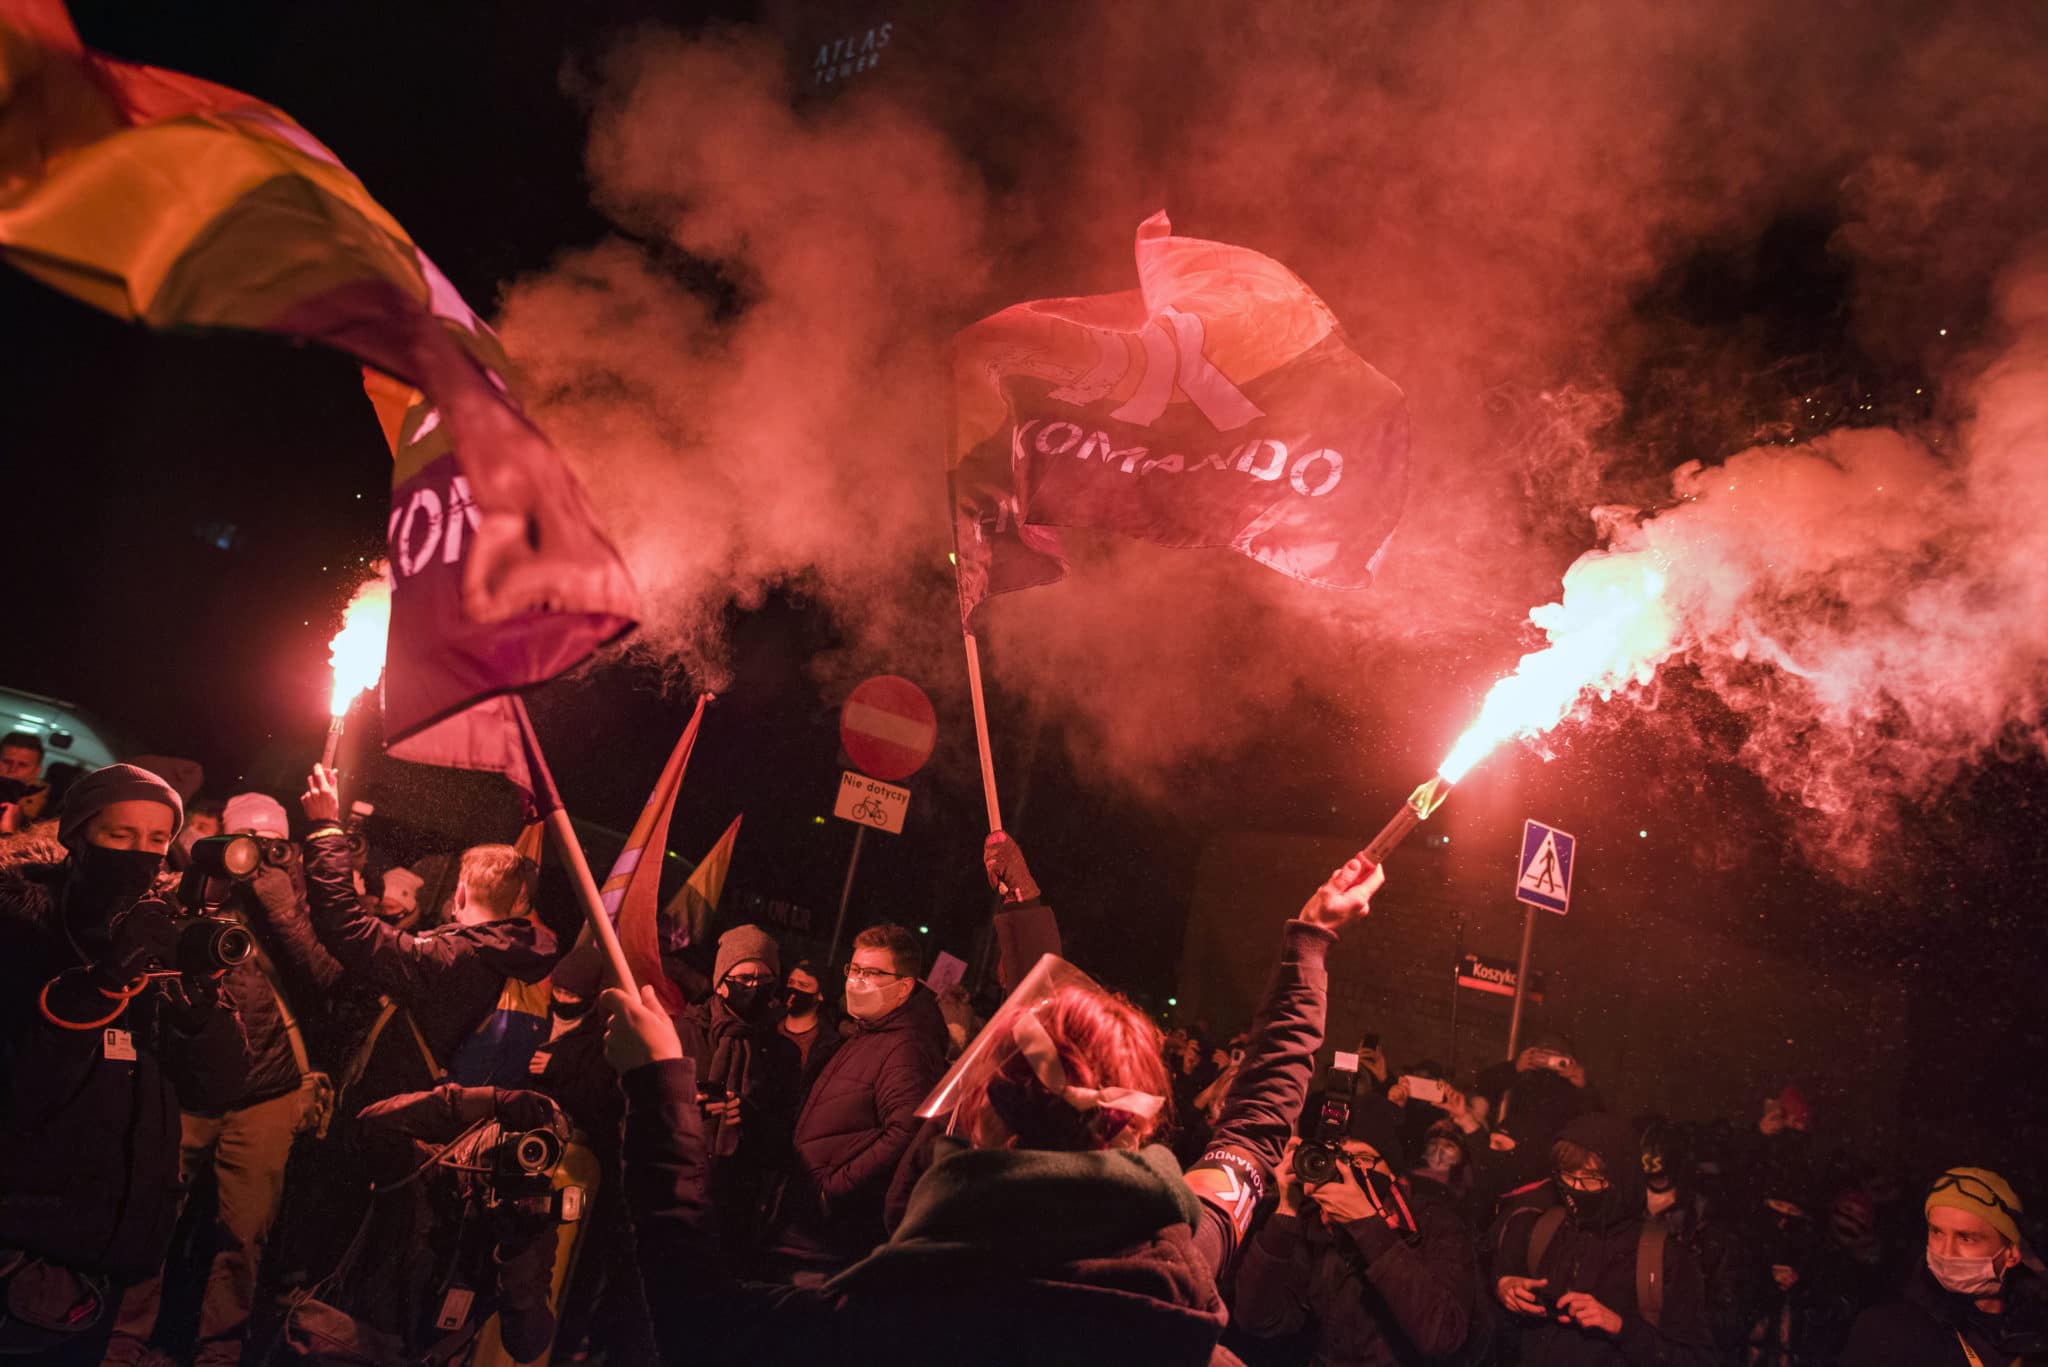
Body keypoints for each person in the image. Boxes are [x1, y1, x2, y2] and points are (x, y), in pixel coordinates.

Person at [601, 850, 1386, 1366]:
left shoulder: (894, 1315)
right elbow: (1255, 1129)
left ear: (986, 1122)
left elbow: (692, 1310)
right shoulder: (1185, 1257)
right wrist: (1309, 943)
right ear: (1132, 1123)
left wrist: (660, 1089)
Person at [0, 765, 248, 1367]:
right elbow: (21, 1089)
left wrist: (201, 1009)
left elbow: (216, 1087)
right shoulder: (22, 925)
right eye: (121, 836)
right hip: (26, 1235)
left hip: (115, 1241)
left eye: (158, 840)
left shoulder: (160, 925)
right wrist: (105, 980)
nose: (142, 854)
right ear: (77, 837)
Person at [101, 792, 325, 1367]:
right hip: (188, 1084)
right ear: (224, 842)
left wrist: (281, 903)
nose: (261, 857)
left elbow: (323, 974)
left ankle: (220, 1350)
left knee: (244, 1234)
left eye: (276, 845)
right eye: (250, 843)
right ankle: (125, 1336)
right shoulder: (191, 891)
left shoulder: (299, 902)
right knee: (155, 1216)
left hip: (267, 1090)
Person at [297, 763, 561, 1087]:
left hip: (390, 1108)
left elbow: (346, 927)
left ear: (460, 893)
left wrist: (324, 828)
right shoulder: (493, 954)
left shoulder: (452, 957)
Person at [758, 923, 948, 1279]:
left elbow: (908, 1128)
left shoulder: (905, 1046)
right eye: (854, 969)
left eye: (871, 972)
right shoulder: (871, 1031)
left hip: (828, 1245)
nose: (856, 980)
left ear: (904, 986)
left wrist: (832, 1189)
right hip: (805, 1230)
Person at [1234, 1097, 1481, 1365]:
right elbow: (1256, 1319)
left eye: (1361, 1158)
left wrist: (1366, 1224)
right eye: (1335, 1158)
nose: (1346, 1170)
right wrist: (1286, 1210)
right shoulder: (1315, 1224)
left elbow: (1443, 1334)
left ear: (1392, 1172)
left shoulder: (1437, 1224)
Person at [1492, 1112, 1716, 1365]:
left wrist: (1622, 1328)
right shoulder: (1544, 1228)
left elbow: (1697, 1359)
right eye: (1567, 1176)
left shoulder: (1662, 1256)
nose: (1576, 1189)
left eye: (1590, 1180)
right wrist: (1504, 1288)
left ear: (1621, 1178)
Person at [676, 925, 800, 1263]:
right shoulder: (682, 1034)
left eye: (764, 979)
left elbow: (784, 1138)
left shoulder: (782, 1053)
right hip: (675, 1190)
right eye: (744, 977)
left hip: (734, 1202)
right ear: (720, 982)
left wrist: (750, 1118)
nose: (754, 987)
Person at [1839, 1167, 2048, 1366]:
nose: (1946, 1252)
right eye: (1937, 1232)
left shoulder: (2035, 1337)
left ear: (2012, 1254)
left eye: (1966, 1238)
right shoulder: (1888, 1332)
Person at [777, 959, 840, 1098]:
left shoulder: (827, 1044)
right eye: (791, 983)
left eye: (803, 985)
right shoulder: (768, 1025)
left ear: (820, 995)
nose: (794, 990)